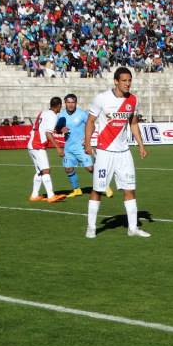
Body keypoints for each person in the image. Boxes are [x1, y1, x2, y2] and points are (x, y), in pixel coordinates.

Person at [84, 67, 150, 238]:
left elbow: (133, 123)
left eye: (129, 80)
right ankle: (91, 227)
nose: (127, 84)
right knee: (98, 190)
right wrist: (88, 143)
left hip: (124, 152)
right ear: (116, 81)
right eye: (124, 81)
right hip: (105, 151)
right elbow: (90, 121)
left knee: (130, 189)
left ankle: (132, 228)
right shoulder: (102, 98)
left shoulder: (133, 100)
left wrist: (141, 145)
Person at [58, 94, 112, 198]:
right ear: (65, 103)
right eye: (68, 102)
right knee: (68, 169)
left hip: (81, 146)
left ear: (76, 103)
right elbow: (58, 128)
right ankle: (77, 190)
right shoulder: (61, 115)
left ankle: (104, 185)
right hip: (68, 148)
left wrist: (87, 139)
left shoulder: (82, 114)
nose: (70, 104)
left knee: (90, 168)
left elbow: (92, 126)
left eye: (73, 102)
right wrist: (61, 130)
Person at [28, 97, 67, 202]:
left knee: (39, 171)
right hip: (38, 145)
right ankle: (51, 196)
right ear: (59, 105)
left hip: (31, 144)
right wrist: (58, 148)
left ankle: (34, 195)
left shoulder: (43, 112)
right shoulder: (53, 116)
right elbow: (48, 133)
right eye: (61, 106)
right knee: (46, 170)